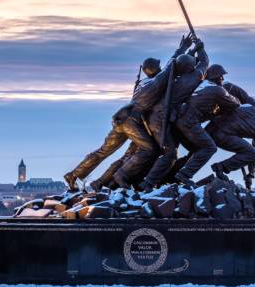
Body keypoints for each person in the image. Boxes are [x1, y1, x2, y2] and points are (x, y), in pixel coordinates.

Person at [63, 35, 193, 190]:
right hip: (132, 120)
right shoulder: (155, 83)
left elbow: (168, 68)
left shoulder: (143, 82)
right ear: (155, 69)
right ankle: (120, 177)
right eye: (158, 67)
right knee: (149, 149)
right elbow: (170, 66)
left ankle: (74, 175)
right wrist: (184, 50)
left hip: (121, 117)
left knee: (104, 151)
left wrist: (185, 52)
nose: (160, 68)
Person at [133, 39, 209, 191]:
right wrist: (201, 49)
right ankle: (147, 184)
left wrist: (187, 49)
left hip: (160, 118)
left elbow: (172, 62)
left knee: (173, 151)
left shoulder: (168, 76)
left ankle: (163, 179)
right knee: (170, 154)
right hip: (160, 119)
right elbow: (204, 64)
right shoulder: (189, 79)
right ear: (190, 68)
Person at [171, 65, 241, 187]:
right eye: (221, 76)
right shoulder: (217, 90)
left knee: (196, 149)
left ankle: (174, 174)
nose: (222, 79)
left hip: (179, 121)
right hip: (190, 123)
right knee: (210, 148)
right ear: (216, 77)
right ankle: (184, 175)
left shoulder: (201, 85)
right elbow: (234, 104)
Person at [208, 105, 255, 187]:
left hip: (212, 128)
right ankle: (221, 167)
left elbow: (232, 111)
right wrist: (251, 174)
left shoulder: (252, 108)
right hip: (222, 136)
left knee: (248, 151)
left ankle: (221, 167)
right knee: (253, 154)